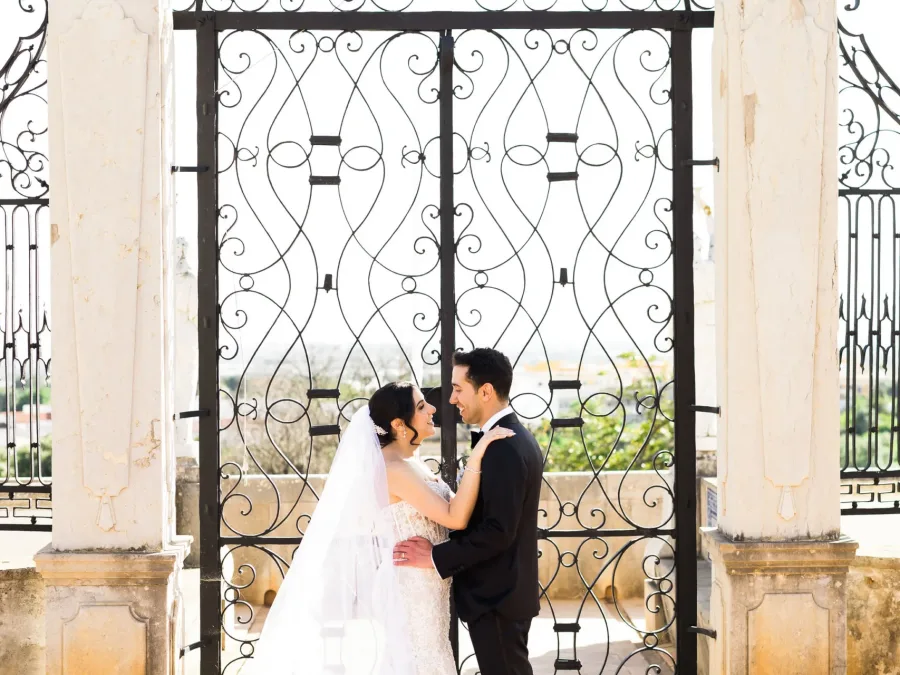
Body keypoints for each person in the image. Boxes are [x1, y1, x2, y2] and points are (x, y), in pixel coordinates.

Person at [246, 379, 512, 674]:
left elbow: (456, 508)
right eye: (422, 406)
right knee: (419, 658)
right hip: (412, 586)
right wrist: (478, 453)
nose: (433, 409)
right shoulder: (393, 469)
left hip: (428, 583)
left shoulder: (410, 461)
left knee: (430, 655)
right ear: (400, 424)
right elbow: (455, 518)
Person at [394, 348, 543, 675]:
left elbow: (497, 532)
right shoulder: (505, 439)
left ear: (486, 391)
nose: (451, 399)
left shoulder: (504, 447)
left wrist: (436, 557)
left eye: (458, 389)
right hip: (501, 595)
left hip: (498, 599)